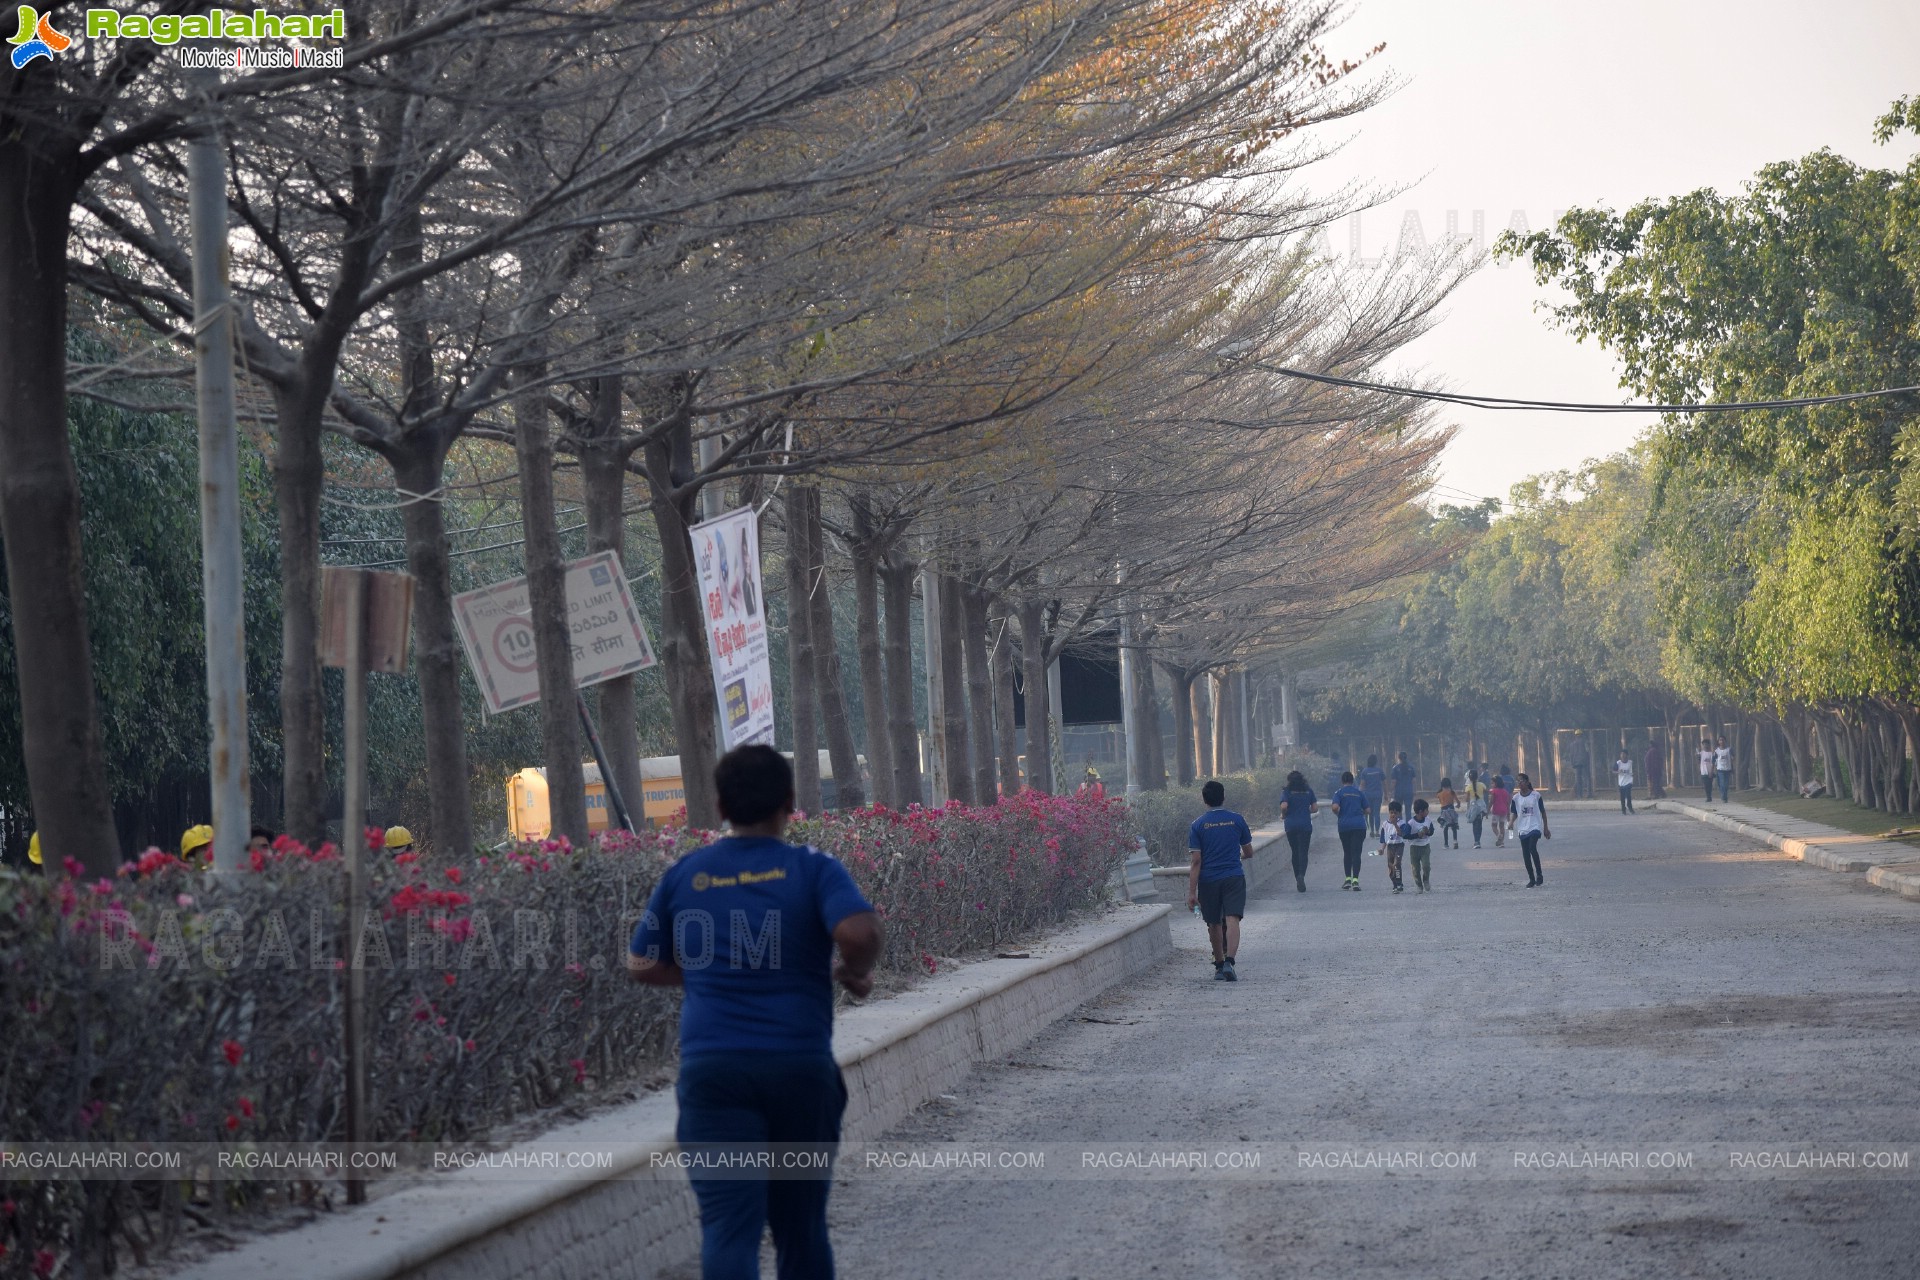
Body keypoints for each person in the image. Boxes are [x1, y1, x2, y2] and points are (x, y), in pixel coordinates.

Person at [628, 744, 882, 1280]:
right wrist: (851, 969)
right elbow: (858, 932)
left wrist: (704, 974)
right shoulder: (812, 868)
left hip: (714, 1076)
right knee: (800, 1228)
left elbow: (641, 962)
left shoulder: (686, 873)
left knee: (728, 1230)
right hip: (798, 1074)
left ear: (720, 806)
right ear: (790, 802)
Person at [1187, 780, 1254, 980]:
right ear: (1223, 797)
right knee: (1232, 918)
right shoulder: (1237, 820)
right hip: (1233, 876)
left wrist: (1192, 892)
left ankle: (1218, 965)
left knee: (1214, 923)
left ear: (1204, 799)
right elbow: (1249, 852)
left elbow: (1196, 861)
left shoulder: (1197, 825)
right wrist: (1235, 857)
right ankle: (1230, 962)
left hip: (1209, 880)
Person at [1278, 770, 1318, 893]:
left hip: (1291, 826)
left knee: (1295, 851)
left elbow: (1284, 806)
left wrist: (1284, 814)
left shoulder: (1287, 791)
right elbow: (1315, 808)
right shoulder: (1308, 790)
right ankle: (1301, 875)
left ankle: (1297, 878)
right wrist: (1306, 811)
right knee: (1303, 852)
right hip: (1305, 825)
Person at [1330, 771, 1369, 891]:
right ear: (1352, 781)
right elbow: (1368, 810)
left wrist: (1339, 815)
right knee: (1356, 853)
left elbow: (1335, 807)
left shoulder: (1339, 793)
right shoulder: (1359, 793)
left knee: (1347, 852)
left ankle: (1347, 879)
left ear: (1342, 781)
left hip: (1344, 826)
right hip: (1359, 826)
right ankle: (1355, 881)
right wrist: (1358, 814)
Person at [1511, 771, 1551, 886]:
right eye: (1517, 781)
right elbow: (1515, 813)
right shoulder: (1516, 798)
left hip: (1535, 827)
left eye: (1521, 781)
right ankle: (1531, 879)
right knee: (1525, 854)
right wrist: (1510, 823)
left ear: (1527, 782)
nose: (1519, 783)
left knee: (1532, 848)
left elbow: (1543, 812)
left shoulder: (1536, 795)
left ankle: (1539, 874)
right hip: (1522, 829)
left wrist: (1546, 828)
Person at [1405, 799, 1436, 893]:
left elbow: (1432, 831)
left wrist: (1428, 832)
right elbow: (1406, 835)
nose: (1428, 812)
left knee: (1426, 865)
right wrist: (1417, 835)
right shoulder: (1411, 823)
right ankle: (1419, 884)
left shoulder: (1428, 820)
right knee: (1415, 868)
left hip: (1425, 846)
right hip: (1414, 847)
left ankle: (1426, 879)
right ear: (1420, 811)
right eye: (1426, 810)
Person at [1378, 800, 1407, 892]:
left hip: (1399, 845)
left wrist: (1395, 824)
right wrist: (1382, 849)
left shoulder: (1401, 823)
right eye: (1391, 812)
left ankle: (1399, 883)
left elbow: (1401, 834)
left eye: (1395, 813)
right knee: (1390, 866)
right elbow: (1384, 839)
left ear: (1399, 813)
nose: (1393, 815)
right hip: (1390, 847)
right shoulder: (1385, 824)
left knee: (1397, 864)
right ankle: (1394, 883)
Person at [1358, 754, 1387, 837]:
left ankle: (1372, 831)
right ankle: (1378, 831)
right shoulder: (1379, 770)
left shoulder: (1364, 771)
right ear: (1375, 762)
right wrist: (1386, 794)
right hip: (1378, 794)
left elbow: (1362, 784)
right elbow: (1384, 783)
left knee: (1370, 813)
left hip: (1368, 795)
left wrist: (1359, 795)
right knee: (1377, 813)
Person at [1464, 769, 1488, 849]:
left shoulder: (1468, 787)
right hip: (1481, 806)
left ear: (1469, 778)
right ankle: (1478, 840)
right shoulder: (1482, 784)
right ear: (1477, 777)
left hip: (1473, 807)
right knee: (1479, 824)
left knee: (1474, 825)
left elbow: (1466, 799)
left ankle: (1476, 842)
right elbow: (1486, 791)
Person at [1433, 778, 1460, 849]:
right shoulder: (1452, 792)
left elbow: (1440, 801)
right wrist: (1458, 805)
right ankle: (1455, 841)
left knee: (1445, 827)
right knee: (1454, 827)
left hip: (1444, 811)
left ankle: (1446, 844)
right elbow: (1458, 802)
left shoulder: (1439, 794)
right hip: (1451, 810)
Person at [1389, 751, 1417, 816]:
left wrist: (1390, 791)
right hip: (1408, 792)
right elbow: (1414, 781)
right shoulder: (1411, 767)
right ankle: (1408, 825)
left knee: (1398, 811)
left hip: (1398, 792)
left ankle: (1400, 825)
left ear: (1399, 758)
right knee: (1408, 812)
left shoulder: (1395, 768)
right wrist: (1414, 791)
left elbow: (1393, 782)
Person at [1487, 776, 1512, 849]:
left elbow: (1491, 801)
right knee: (1502, 826)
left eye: (1492, 783)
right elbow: (1507, 803)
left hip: (1496, 811)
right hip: (1504, 811)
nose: (1491, 785)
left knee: (1494, 826)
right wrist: (1508, 813)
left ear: (1496, 783)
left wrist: (1488, 810)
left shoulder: (1494, 791)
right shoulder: (1505, 792)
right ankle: (1502, 843)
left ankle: (1499, 836)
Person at [1568, 732, 1592, 800]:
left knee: (1578, 779)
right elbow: (1588, 752)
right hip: (1584, 762)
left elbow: (1571, 755)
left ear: (1575, 736)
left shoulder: (1572, 744)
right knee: (1587, 777)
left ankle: (1579, 795)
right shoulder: (1585, 743)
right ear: (1581, 735)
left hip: (1576, 763)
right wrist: (1588, 760)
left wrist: (1572, 763)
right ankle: (1588, 793)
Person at [1614, 750, 1635, 815]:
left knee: (1628, 795)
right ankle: (1623, 809)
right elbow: (1613, 771)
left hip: (1629, 781)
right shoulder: (1618, 763)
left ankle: (1630, 807)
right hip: (1621, 782)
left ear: (1627, 755)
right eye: (1621, 754)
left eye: (1624, 754)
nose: (1622, 755)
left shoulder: (1630, 763)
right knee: (1622, 797)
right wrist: (1618, 772)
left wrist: (1633, 775)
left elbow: (1634, 771)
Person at [1715, 736, 1734, 802]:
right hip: (1720, 769)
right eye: (1720, 740)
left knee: (1726, 784)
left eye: (1723, 740)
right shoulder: (1716, 751)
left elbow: (1732, 758)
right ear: (1718, 742)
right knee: (1722, 784)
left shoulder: (1729, 749)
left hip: (1727, 769)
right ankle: (1724, 797)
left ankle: (1724, 795)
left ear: (1725, 741)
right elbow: (1714, 760)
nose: (1721, 741)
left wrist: (1732, 768)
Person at [1698, 739, 1715, 804]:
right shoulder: (1701, 753)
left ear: (1709, 745)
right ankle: (1708, 797)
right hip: (1703, 772)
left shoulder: (1711, 753)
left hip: (1709, 771)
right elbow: (1699, 762)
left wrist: (1711, 771)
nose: (1705, 746)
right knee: (1705, 785)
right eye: (1704, 744)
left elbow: (1713, 763)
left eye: (1706, 744)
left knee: (1709, 785)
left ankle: (1709, 796)